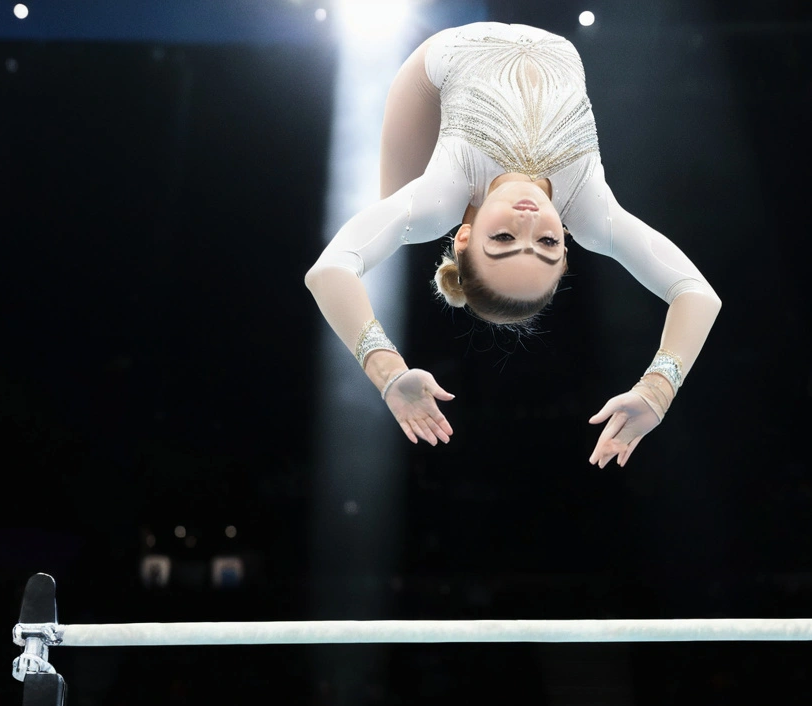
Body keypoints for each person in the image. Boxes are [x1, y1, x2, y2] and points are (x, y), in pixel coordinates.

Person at [305, 22, 721, 468]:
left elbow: (329, 271)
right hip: (553, 41)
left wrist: (386, 371)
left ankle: (407, 224)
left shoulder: (442, 197)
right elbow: (698, 294)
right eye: (545, 242)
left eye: (503, 239)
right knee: (406, 219)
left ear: (464, 235)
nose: (529, 221)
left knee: (403, 212)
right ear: (565, 250)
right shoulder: (591, 212)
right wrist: (658, 390)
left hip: (437, 68)